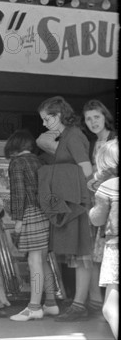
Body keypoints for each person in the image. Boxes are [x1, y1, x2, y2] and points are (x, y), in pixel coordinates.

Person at [36, 96, 94, 321]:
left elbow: (86, 168)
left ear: (58, 115)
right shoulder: (68, 135)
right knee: (79, 254)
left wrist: (84, 199)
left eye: (46, 118)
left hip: (78, 201)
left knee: (82, 254)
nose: (43, 123)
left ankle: (79, 304)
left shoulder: (73, 135)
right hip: (74, 200)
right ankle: (80, 302)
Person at [5, 130, 58, 321]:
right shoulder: (39, 161)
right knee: (43, 260)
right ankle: (51, 303)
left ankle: (34, 307)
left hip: (30, 213)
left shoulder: (17, 163)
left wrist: (18, 220)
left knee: (33, 261)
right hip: (45, 213)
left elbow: (18, 193)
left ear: (14, 146)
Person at [82, 100, 116, 315]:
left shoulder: (114, 141)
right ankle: (99, 304)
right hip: (97, 205)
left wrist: (97, 181)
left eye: (96, 117)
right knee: (95, 256)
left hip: (111, 207)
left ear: (105, 116)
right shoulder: (93, 142)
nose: (93, 122)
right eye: (88, 118)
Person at [89, 139, 119, 339]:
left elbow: (98, 219)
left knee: (110, 308)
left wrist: (92, 208)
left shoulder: (107, 186)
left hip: (115, 247)